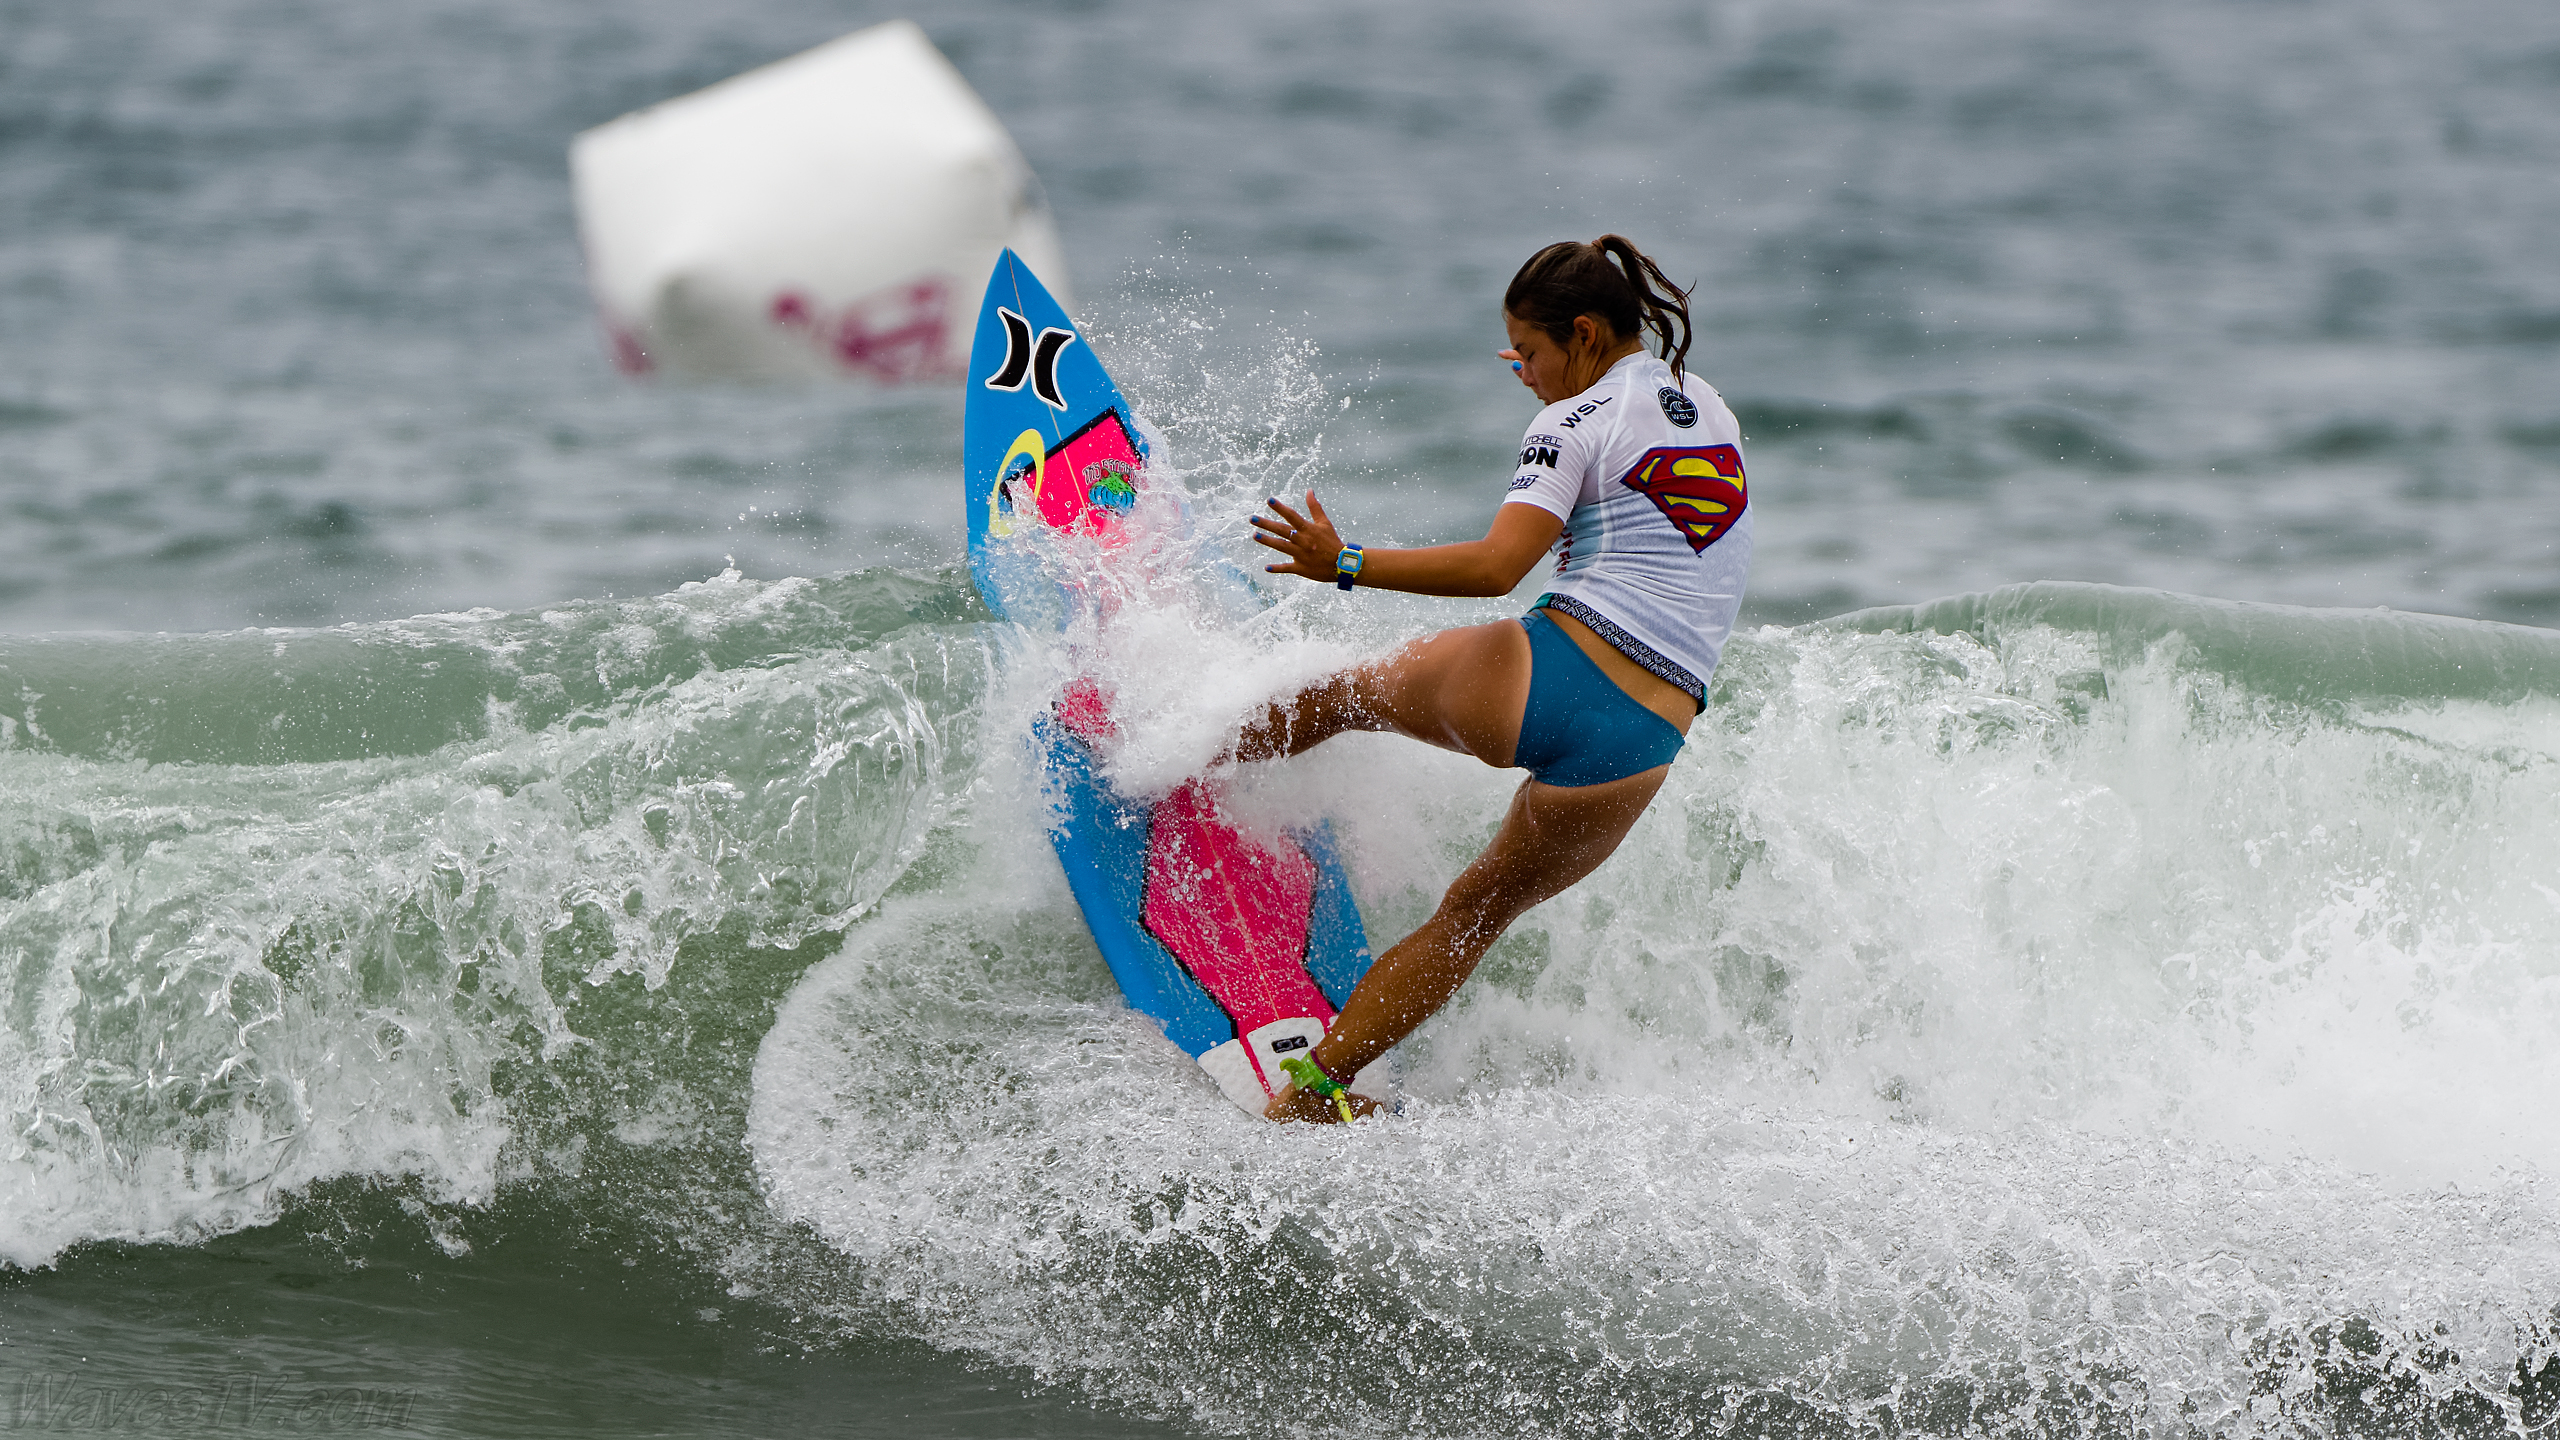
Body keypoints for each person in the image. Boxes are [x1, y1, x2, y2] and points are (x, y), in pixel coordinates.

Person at [1240, 234, 1754, 1123]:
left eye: (1528, 352)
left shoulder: (1572, 419)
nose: (1519, 371)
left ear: (1585, 337)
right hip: (1644, 742)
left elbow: (1496, 566)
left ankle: (1177, 762)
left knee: (1342, 696)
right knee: (1470, 919)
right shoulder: (1707, 405)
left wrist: (1345, 562)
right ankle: (1319, 1089)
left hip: (1546, 673)